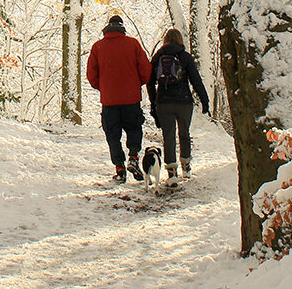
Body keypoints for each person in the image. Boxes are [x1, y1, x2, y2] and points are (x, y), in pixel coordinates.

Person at [86, 14, 152, 183]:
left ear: (107, 28)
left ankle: (119, 168)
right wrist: (137, 83)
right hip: (131, 99)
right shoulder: (133, 44)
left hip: (109, 101)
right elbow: (146, 70)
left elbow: (91, 75)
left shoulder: (98, 47)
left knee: (112, 134)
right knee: (134, 128)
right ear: (122, 28)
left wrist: (104, 87)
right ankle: (134, 157)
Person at [146, 27, 209, 181]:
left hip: (164, 102)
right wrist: (204, 100)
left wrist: (154, 102)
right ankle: (186, 166)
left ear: (165, 40)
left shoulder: (157, 57)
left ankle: (171, 171)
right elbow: (196, 80)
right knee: (184, 133)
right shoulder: (185, 57)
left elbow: (150, 83)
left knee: (168, 136)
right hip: (184, 102)